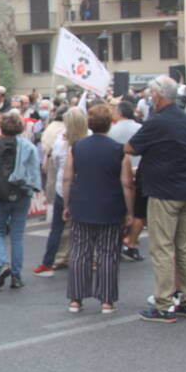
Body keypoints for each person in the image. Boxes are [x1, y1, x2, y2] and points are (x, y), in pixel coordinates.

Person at [126, 76, 186, 323]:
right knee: (185, 248)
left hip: (164, 191)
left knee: (162, 248)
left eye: (151, 94)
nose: (150, 98)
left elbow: (131, 148)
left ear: (158, 96)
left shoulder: (157, 123)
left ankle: (164, 303)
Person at [63, 104, 134, 313]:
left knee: (79, 252)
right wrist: (129, 212)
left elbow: (67, 177)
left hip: (82, 203)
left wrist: (66, 204)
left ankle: (75, 299)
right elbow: (127, 183)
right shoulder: (119, 149)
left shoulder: (76, 148)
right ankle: (106, 300)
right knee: (108, 253)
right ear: (109, 123)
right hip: (110, 205)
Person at [0, 112, 40, 289]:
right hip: (21, 192)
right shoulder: (28, 147)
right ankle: (16, 277)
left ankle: (3, 263)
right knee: (17, 236)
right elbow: (34, 171)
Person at [34, 107, 87, 277]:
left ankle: (48, 262)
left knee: (57, 227)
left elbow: (56, 163)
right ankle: (85, 260)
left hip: (62, 189)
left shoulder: (60, 141)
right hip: (83, 188)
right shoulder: (89, 138)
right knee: (84, 228)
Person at [108, 101, 144, 262]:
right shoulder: (139, 128)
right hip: (138, 171)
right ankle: (132, 243)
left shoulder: (111, 130)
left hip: (117, 173)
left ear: (120, 113)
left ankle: (116, 242)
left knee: (119, 210)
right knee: (137, 212)